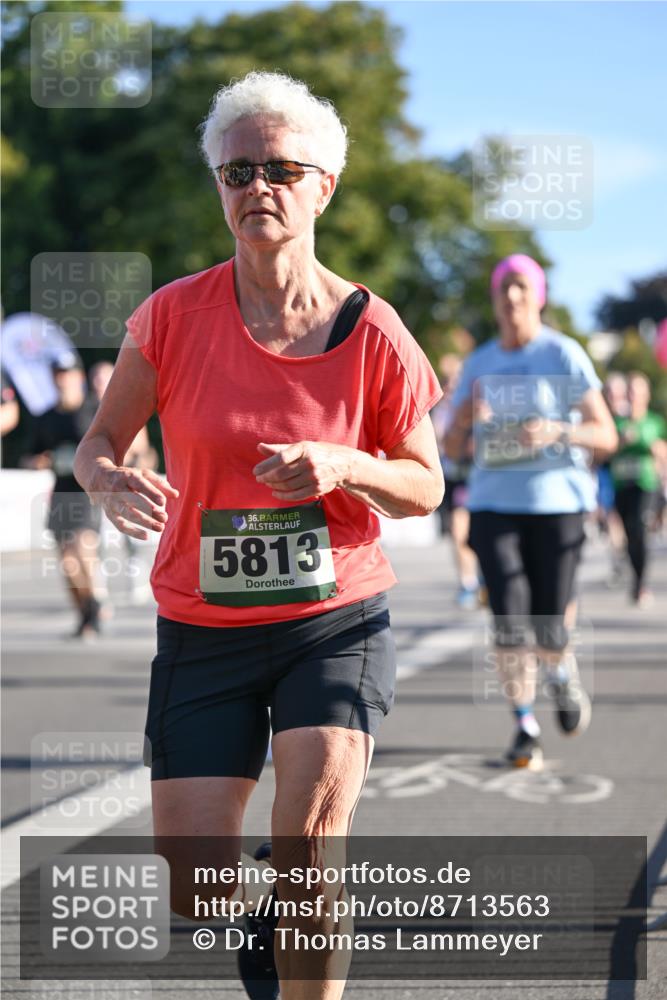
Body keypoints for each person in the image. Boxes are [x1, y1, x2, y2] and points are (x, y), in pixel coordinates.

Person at [74, 70, 443, 1000]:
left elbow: (424, 485)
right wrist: (108, 480)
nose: (257, 188)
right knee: (193, 882)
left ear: (324, 187)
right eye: (237, 172)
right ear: (219, 188)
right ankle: (264, 915)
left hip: (333, 618)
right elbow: (97, 445)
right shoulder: (171, 317)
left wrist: (344, 464)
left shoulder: (373, 331)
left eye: (281, 170)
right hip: (203, 627)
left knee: (311, 844)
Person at [444, 254, 617, 771]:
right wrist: (466, 418)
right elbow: (450, 448)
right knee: (508, 622)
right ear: (495, 299)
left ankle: (560, 671)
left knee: (549, 626)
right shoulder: (479, 363)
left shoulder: (562, 354)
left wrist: (558, 430)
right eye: (504, 288)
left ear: (538, 295)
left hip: (557, 506)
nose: (513, 296)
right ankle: (525, 725)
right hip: (494, 505)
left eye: (522, 286)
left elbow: (606, 435)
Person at [23, 355, 103, 637]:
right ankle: (86, 612)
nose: (62, 379)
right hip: (61, 493)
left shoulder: (95, 410)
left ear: (79, 377)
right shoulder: (46, 417)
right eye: (57, 373)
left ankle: (94, 606)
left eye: (67, 373)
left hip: (88, 492)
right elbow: (29, 457)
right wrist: (40, 461)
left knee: (82, 549)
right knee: (67, 562)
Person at [611, 371, 667, 606]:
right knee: (630, 535)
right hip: (622, 484)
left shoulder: (654, 422)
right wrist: (621, 442)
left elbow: (664, 452)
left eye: (637, 391)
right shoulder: (617, 422)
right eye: (630, 391)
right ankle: (636, 578)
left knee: (639, 529)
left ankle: (640, 584)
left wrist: (656, 448)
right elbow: (605, 450)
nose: (633, 396)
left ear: (646, 394)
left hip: (645, 484)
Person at [431, 353, 481, 609]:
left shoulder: (474, 406)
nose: (449, 385)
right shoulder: (438, 409)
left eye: (455, 380)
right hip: (451, 476)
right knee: (457, 531)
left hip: (476, 475)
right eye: (446, 380)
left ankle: (479, 578)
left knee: (474, 532)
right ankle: (467, 582)